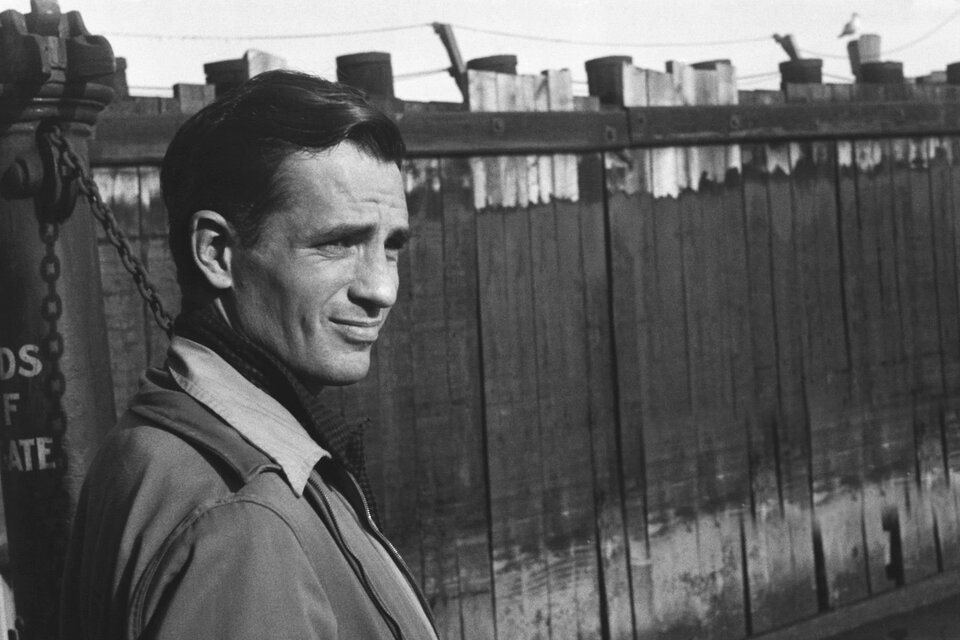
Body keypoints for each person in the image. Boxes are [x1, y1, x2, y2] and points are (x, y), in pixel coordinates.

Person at [60, 70, 437, 640]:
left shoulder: (157, 442)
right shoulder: (238, 516)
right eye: (338, 243)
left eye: (392, 247)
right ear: (216, 252)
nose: (381, 289)